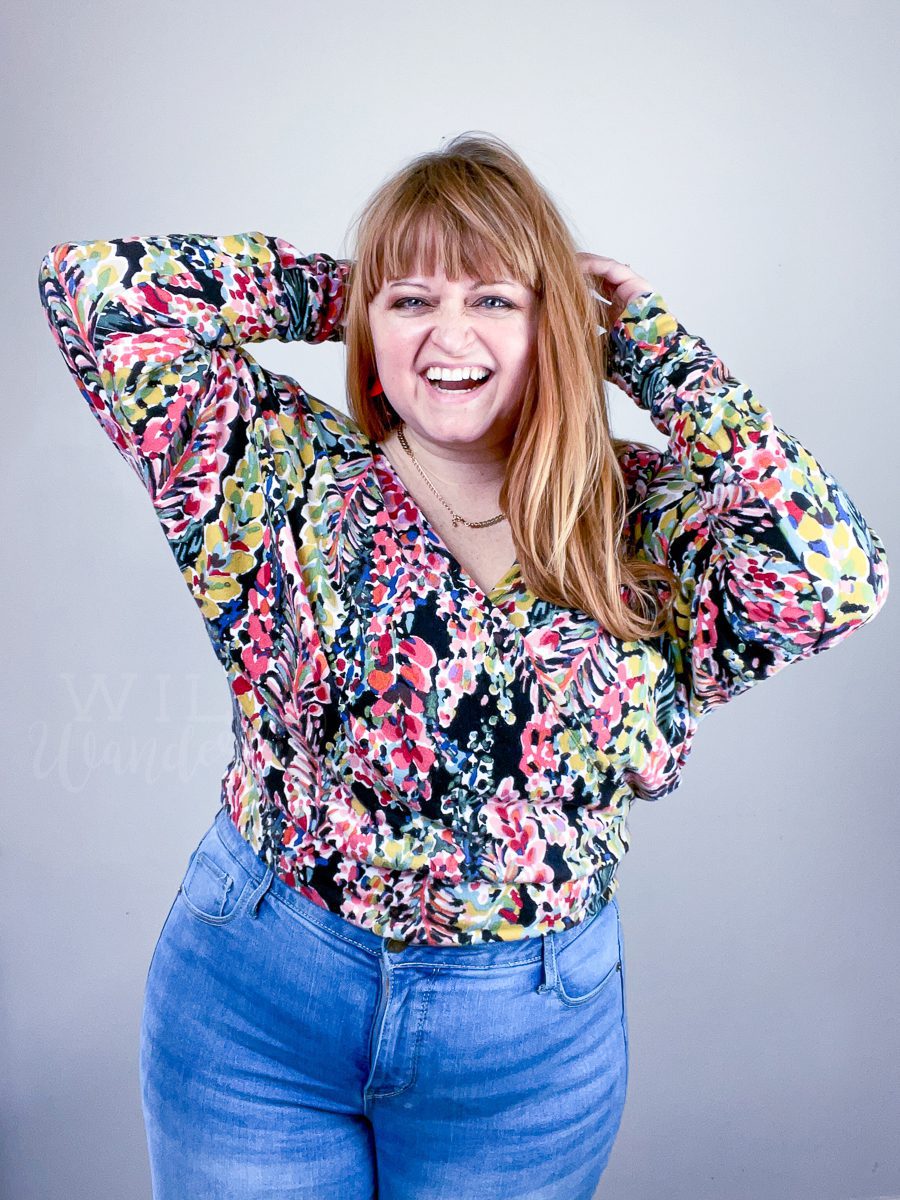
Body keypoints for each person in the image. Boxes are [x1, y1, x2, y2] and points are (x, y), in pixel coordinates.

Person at [37, 131, 889, 1200]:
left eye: (494, 299)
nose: (450, 335)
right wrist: (357, 293)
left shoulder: (636, 517)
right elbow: (97, 291)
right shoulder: (280, 471)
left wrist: (651, 348)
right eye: (414, 303)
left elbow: (833, 578)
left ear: (553, 325)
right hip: (256, 1002)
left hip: (521, 1050)